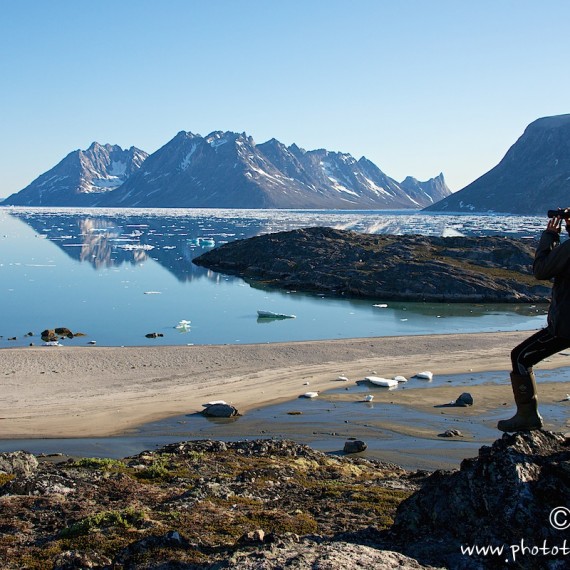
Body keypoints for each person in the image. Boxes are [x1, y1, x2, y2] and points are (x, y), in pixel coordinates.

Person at [498, 210, 570, 432]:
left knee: (520, 356)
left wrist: (549, 236)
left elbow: (541, 270)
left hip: (566, 326)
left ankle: (527, 416)